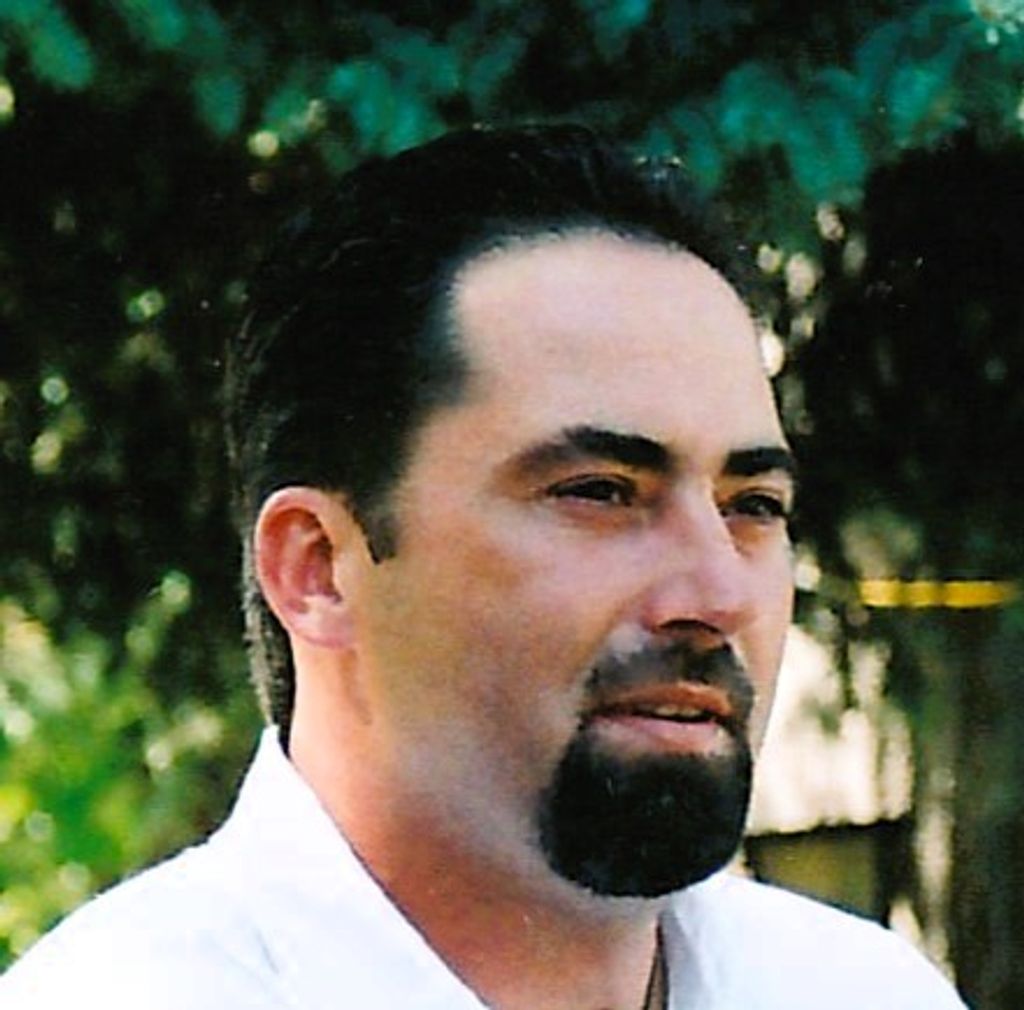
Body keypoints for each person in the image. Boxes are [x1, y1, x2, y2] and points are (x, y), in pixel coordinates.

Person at [0, 124, 967, 1010]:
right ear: (320, 568)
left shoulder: (861, 993)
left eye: (752, 506)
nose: (717, 595)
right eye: (599, 492)